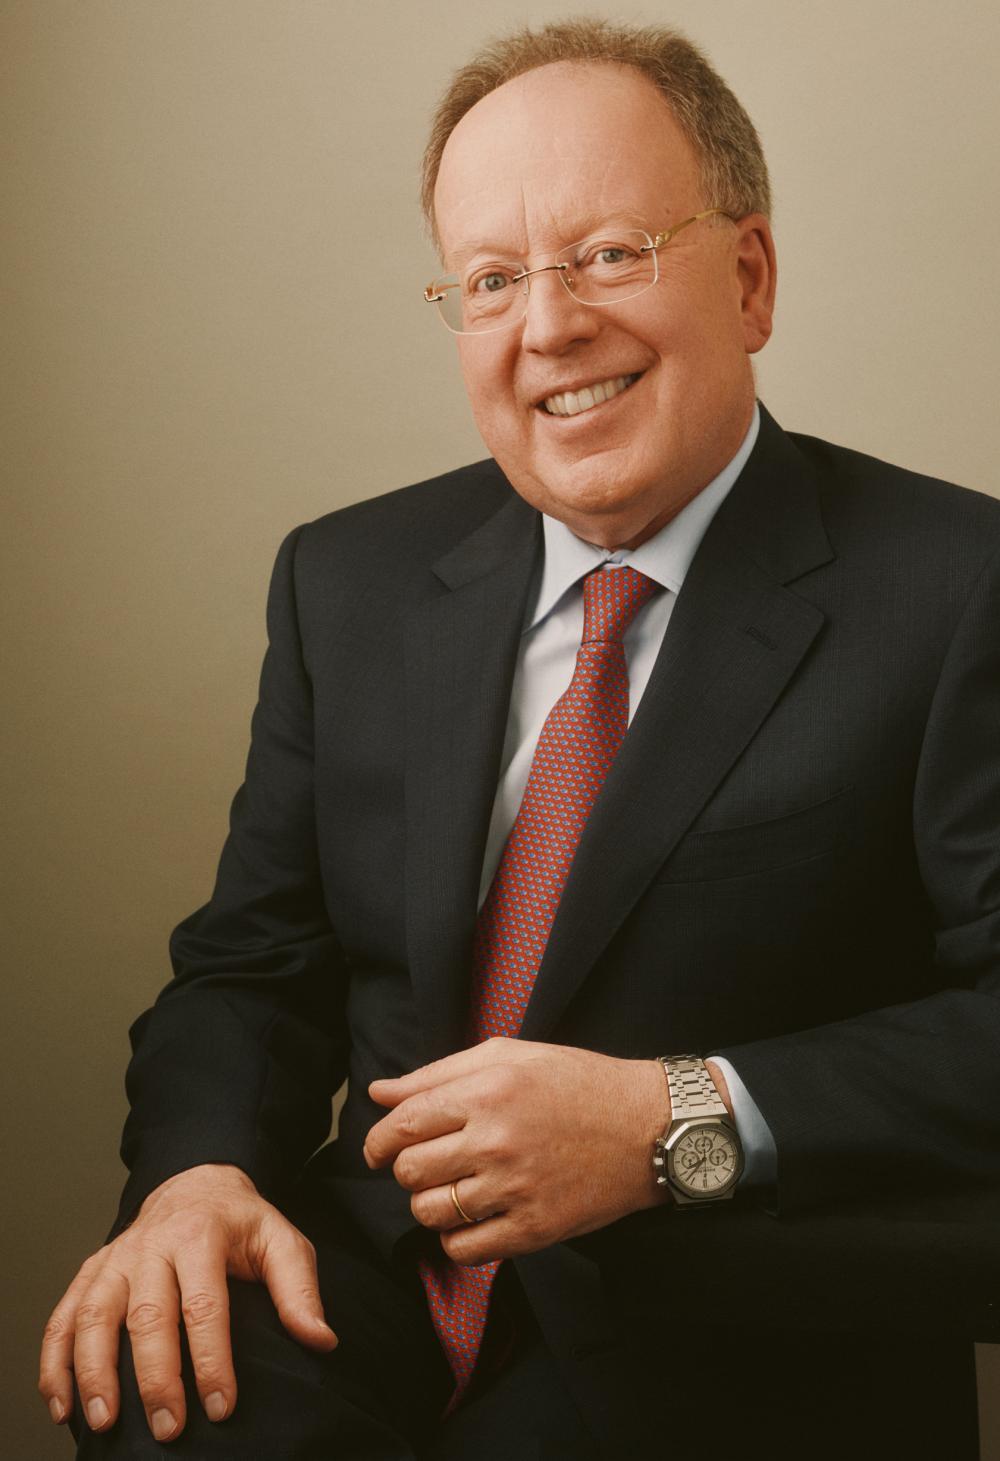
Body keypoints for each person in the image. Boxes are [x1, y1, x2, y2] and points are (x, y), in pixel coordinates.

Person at [39, 18, 1000, 1460]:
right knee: (164, 1405)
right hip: (364, 1286)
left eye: (610, 253)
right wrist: (196, 1176)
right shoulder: (346, 581)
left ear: (749, 277)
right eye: (492, 280)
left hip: (724, 1330)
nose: (549, 327)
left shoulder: (959, 587)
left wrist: (666, 1118)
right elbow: (254, 964)